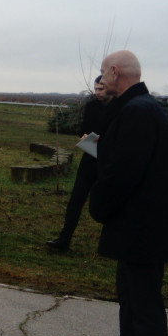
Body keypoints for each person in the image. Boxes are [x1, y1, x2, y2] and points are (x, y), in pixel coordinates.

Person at [86, 50, 168, 336]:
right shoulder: (140, 107)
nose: (100, 78)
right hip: (136, 227)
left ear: (114, 71)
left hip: (142, 228)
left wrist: (99, 205)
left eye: (102, 71)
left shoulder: (138, 111)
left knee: (145, 306)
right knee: (129, 299)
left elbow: (121, 172)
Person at [46, 76, 112, 251]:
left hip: (109, 163)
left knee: (110, 204)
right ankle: (64, 240)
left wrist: (102, 140)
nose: (97, 92)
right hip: (90, 159)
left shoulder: (119, 109)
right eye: (95, 88)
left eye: (101, 89)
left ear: (111, 87)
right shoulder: (91, 106)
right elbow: (84, 128)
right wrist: (84, 136)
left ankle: (111, 244)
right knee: (76, 200)